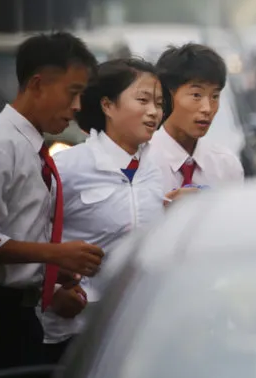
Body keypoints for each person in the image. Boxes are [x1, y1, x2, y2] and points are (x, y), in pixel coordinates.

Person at [0, 32, 104, 375]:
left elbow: (19, 230)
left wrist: (52, 278)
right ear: (38, 84)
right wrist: (54, 254)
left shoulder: (33, 147)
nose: (76, 107)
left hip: (25, 313)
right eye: (72, 93)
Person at [40, 58, 167, 363]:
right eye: (143, 100)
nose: (154, 112)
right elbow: (29, 235)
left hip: (137, 331)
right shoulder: (67, 167)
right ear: (108, 106)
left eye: (160, 103)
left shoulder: (157, 169)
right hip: (76, 331)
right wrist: (54, 288)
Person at [151, 43, 244, 192]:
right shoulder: (140, 163)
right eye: (196, 95)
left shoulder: (226, 165)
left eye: (215, 96)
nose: (207, 108)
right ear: (166, 96)